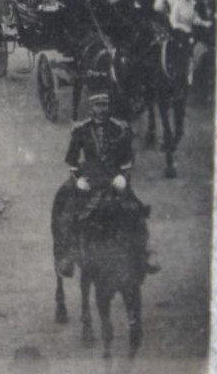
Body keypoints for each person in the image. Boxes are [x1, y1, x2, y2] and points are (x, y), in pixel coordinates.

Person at [51, 93, 155, 278]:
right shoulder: (81, 130)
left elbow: (127, 160)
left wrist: (123, 177)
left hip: (113, 177)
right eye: (98, 105)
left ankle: (144, 255)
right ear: (92, 108)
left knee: (135, 211)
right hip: (90, 178)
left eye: (105, 105)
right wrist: (78, 180)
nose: (102, 109)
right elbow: (72, 161)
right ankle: (68, 256)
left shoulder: (120, 129)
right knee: (72, 214)